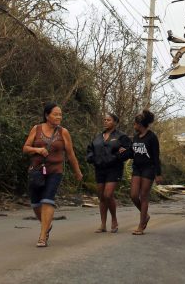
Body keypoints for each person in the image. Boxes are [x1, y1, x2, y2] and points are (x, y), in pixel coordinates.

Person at [23, 102, 83, 247]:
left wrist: (77, 172)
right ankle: (46, 225)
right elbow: (25, 148)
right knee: (36, 203)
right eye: (55, 114)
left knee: (47, 200)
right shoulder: (36, 129)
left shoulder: (64, 132)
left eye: (60, 114)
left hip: (55, 171)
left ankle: (43, 236)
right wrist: (37, 150)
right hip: (37, 171)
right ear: (46, 115)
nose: (59, 117)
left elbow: (70, 154)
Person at [86, 112, 132, 233]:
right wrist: (92, 158)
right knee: (101, 197)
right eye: (105, 120)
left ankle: (114, 220)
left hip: (114, 169)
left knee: (108, 195)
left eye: (109, 120)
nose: (105, 122)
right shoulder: (98, 137)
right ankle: (102, 224)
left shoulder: (121, 136)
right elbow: (90, 149)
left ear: (115, 122)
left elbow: (128, 151)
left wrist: (118, 155)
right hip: (100, 169)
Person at [130, 109, 162, 235]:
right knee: (133, 195)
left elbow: (156, 156)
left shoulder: (152, 137)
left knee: (143, 196)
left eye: (135, 124)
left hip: (149, 169)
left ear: (140, 125)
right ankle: (146, 216)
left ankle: (141, 224)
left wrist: (158, 174)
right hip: (137, 168)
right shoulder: (136, 137)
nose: (134, 126)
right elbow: (133, 153)